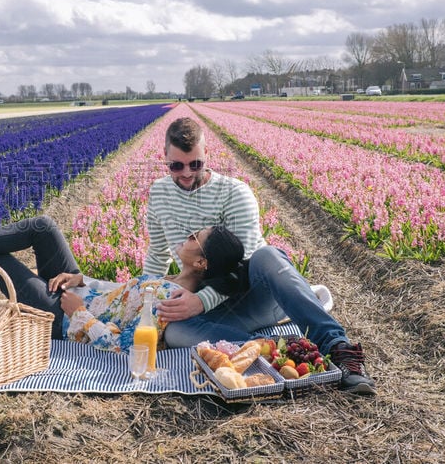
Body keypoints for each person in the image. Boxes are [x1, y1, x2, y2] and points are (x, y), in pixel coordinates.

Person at [145, 116, 376, 395]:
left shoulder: (234, 193)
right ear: (164, 158)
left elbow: (244, 264)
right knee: (176, 332)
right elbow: (157, 255)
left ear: (207, 155)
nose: (185, 173)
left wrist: (201, 301)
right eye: (176, 166)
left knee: (267, 255)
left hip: (254, 292)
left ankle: (338, 348)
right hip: (214, 308)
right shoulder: (158, 193)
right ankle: (279, 352)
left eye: (195, 164)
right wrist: (143, 297)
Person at [0, 215, 246, 353]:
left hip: (63, 316)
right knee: (43, 227)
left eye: (192, 237)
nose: (185, 237)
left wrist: (79, 313)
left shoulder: (173, 300)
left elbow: (123, 346)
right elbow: (123, 295)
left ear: (201, 262)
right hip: (81, 291)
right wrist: (85, 279)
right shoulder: (170, 277)